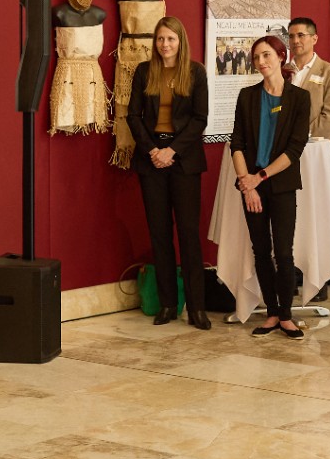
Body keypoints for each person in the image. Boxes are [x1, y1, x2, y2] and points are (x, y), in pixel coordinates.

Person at [126, 17, 212, 331]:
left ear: (181, 41)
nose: (165, 45)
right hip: (151, 160)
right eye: (161, 39)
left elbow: (200, 119)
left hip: (184, 160)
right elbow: (133, 116)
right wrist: (153, 151)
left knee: (189, 235)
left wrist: (171, 151)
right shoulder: (144, 72)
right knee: (159, 234)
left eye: (171, 39)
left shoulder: (196, 72)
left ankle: (197, 308)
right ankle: (167, 304)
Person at [230, 35, 312, 337]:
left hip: (281, 185)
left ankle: (287, 315)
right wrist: (247, 185)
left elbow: (294, 150)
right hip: (250, 185)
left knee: (284, 252)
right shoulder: (247, 96)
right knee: (261, 250)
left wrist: (259, 178)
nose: (261, 62)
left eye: (266, 55)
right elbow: (236, 143)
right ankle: (272, 313)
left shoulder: (299, 99)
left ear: (281, 57)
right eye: (256, 58)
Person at [285, 16, 330, 142]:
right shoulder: (281, 72)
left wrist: (300, 136)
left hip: (316, 147)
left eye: (301, 35)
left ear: (314, 39)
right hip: (283, 148)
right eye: (291, 36)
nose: (295, 40)